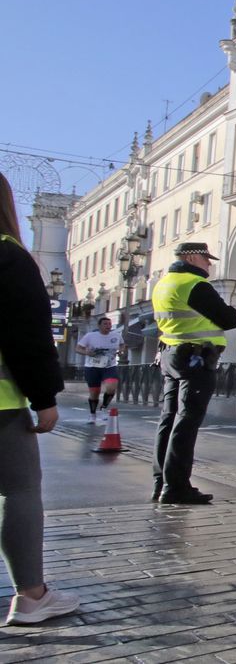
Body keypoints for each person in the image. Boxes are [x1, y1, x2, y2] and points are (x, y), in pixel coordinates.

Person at [0, 172, 79, 624]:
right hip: (2, 403)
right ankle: (31, 595)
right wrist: (45, 397)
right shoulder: (8, 256)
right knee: (19, 489)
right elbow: (28, 336)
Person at [151, 242, 236, 505]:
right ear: (191, 257)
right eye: (206, 259)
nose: (209, 264)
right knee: (186, 421)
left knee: (168, 419)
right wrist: (229, 309)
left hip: (171, 354)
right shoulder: (194, 284)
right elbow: (229, 319)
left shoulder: (163, 283)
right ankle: (176, 486)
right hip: (195, 358)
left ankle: (161, 483)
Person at [75, 316, 123, 424]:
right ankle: (92, 414)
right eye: (105, 324)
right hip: (92, 367)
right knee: (94, 393)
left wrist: (121, 351)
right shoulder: (90, 336)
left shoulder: (116, 335)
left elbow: (122, 345)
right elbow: (78, 348)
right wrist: (87, 353)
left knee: (111, 388)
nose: (108, 326)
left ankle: (103, 408)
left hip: (109, 366)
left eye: (109, 324)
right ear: (99, 326)